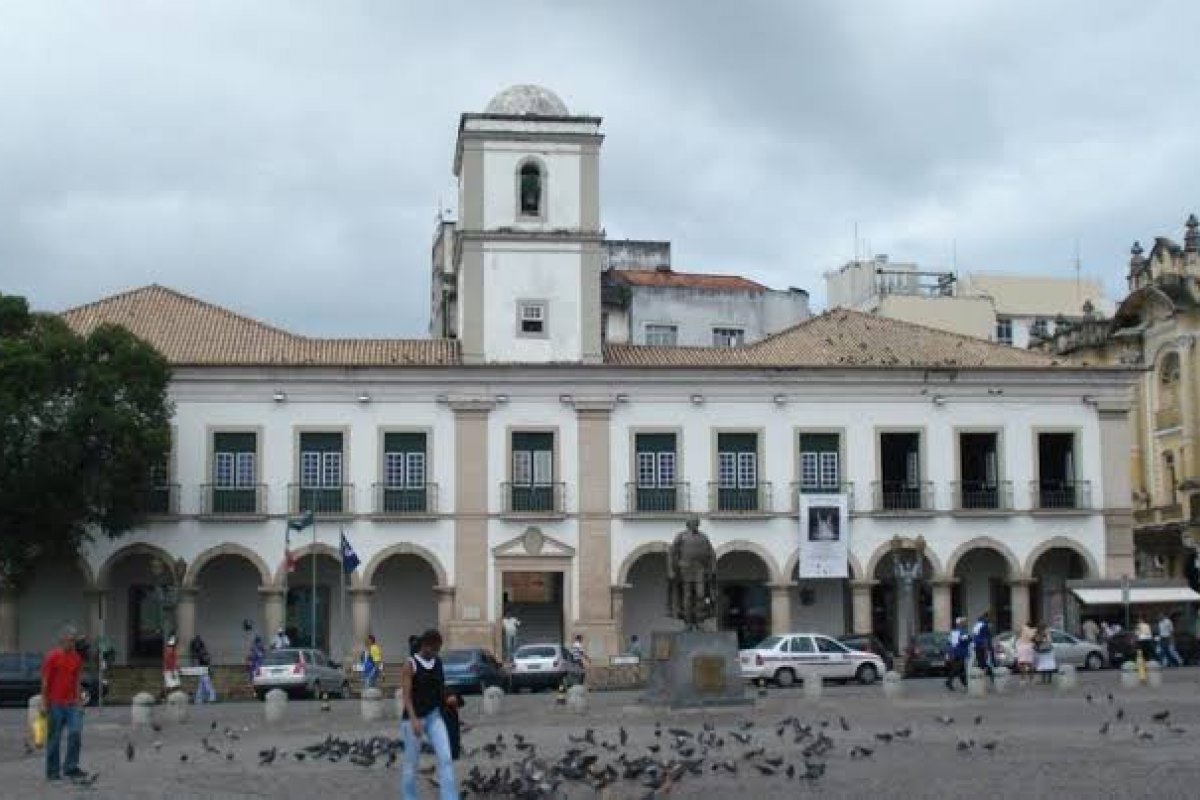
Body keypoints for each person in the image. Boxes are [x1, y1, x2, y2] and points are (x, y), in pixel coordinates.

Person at [400, 629, 457, 800]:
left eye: (438, 649)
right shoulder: (410, 664)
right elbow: (406, 696)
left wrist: (449, 698)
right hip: (413, 719)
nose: (436, 653)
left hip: (434, 717)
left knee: (446, 758)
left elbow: (441, 688)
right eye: (434, 649)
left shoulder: (437, 662)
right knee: (411, 764)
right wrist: (413, 719)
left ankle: (449, 797)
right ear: (425, 646)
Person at [41, 624, 88, 782]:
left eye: (74, 641)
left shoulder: (76, 658)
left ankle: (71, 767)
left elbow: (77, 681)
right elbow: (45, 682)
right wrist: (44, 702)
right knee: (54, 738)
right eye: (70, 640)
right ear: (62, 640)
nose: (73, 643)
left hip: (72, 703)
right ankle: (52, 771)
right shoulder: (52, 657)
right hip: (55, 703)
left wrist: (79, 702)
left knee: (75, 733)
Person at [189, 635, 217, 704]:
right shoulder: (200, 651)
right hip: (202, 668)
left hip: (204, 668)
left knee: (206, 684)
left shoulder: (202, 651)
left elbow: (207, 661)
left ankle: (211, 698)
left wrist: (208, 668)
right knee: (201, 684)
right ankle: (199, 699)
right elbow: (206, 660)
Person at [944, 618, 969, 691]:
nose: (965, 624)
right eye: (963, 622)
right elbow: (966, 640)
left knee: (961, 669)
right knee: (958, 668)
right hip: (960, 652)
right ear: (960, 624)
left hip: (954, 652)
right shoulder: (962, 632)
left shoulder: (953, 632)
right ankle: (949, 681)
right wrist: (969, 638)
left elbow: (949, 642)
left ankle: (965, 684)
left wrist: (949, 651)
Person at [971, 612, 995, 685]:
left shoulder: (976, 625)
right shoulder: (984, 625)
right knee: (984, 662)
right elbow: (986, 638)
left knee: (981, 662)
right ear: (986, 617)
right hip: (983, 646)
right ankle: (990, 674)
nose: (989, 619)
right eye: (988, 618)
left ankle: (986, 675)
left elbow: (975, 636)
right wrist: (987, 648)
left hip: (977, 646)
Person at [1015, 622, 1037, 687]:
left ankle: (1023, 680)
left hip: (1021, 647)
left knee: (1022, 664)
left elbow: (1018, 635)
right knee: (1030, 664)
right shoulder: (1034, 630)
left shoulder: (1023, 628)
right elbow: (1034, 639)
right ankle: (1031, 679)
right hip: (1029, 647)